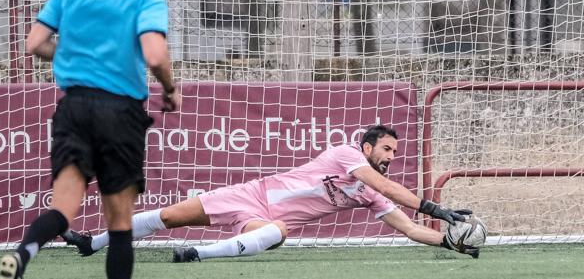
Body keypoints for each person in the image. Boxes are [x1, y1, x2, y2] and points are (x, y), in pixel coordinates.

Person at [0, 0, 180, 279]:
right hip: (121, 112)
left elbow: (33, 44)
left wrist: (73, 55)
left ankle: (24, 252)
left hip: (75, 107)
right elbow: (155, 54)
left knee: (63, 210)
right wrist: (170, 89)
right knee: (119, 224)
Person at [64, 125, 479, 263]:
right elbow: (386, 185)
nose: (391, 156)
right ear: (367, 148)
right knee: (169, 217)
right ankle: (91, 243)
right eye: (386, 149)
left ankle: (198, 255)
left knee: (278, 230)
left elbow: (407, 228)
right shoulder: (346, 153)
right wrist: (435, 207)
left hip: (263, 219)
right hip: (251, 193)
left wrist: (449, 240)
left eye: (394, 152)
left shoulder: (370, 196)